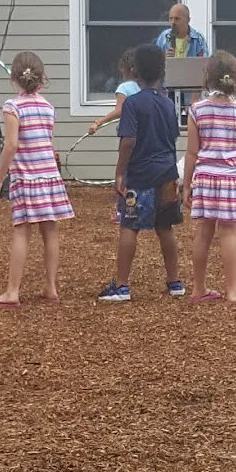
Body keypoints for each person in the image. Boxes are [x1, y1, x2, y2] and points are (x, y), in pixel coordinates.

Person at [0, 52, 74, 308]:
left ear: (14, 79)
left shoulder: (12, 107)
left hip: (26, 177)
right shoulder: (48, 107)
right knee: (50, 231)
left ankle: (12, 291)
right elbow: (48, 142)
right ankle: (50, 287)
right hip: (50, 176)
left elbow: (11, 145)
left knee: (21, 231)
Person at [98, 44, 185, 303]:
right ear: (162, 70)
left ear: (135, 71)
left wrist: (120, 173)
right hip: (167, 173)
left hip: (139, 175)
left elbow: (128, 140)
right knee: (165, 227)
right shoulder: (168, 104)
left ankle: (122, 285)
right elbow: (172, 137)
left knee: (129, 225)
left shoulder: (133, 104)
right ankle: (175, 282)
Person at [183, 51, 236, 304]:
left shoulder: (196, 110)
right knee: (228, 233)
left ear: (207, 77)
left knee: (203, 232)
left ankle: (198, 288)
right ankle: (232, 290)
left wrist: (186, 185)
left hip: (204, 178)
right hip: (231, 179)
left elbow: (191, 152)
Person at [88, 48, 141, 224]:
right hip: (147, 137)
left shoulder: (124, 87)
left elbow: (120, 110)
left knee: (125, 172)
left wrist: (99, 121)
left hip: (129, 135)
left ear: (127, 69)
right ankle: (144, 207)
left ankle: (123, 210)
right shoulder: (148, 87)